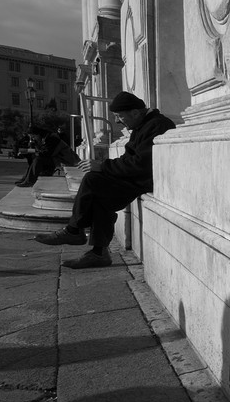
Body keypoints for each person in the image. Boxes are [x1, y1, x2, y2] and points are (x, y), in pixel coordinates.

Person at [33, 91, 176, 269]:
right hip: (135, 177)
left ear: (135, 113)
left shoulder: (157, 125)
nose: (117, 121)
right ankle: (98, 253)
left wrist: (102, 166)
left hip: (143, 180)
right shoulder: (143, 125)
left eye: (119, 116)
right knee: (99, 196)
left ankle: (74, 231)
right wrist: (104, 166)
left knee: (93, 180)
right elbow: (130, 160)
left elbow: (141, 165)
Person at [15, 125, 80, 187]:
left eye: (33, 137)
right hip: (57, 158)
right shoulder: (44, 139)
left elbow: (47, 153)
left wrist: (34, 151)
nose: (33, 139)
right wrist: (31, 150)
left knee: (38, 160)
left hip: (66, 160)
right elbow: (42, 152)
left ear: (38, 134)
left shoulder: (52, 139)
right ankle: (26, 178)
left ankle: (30, 181)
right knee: (33, 158)